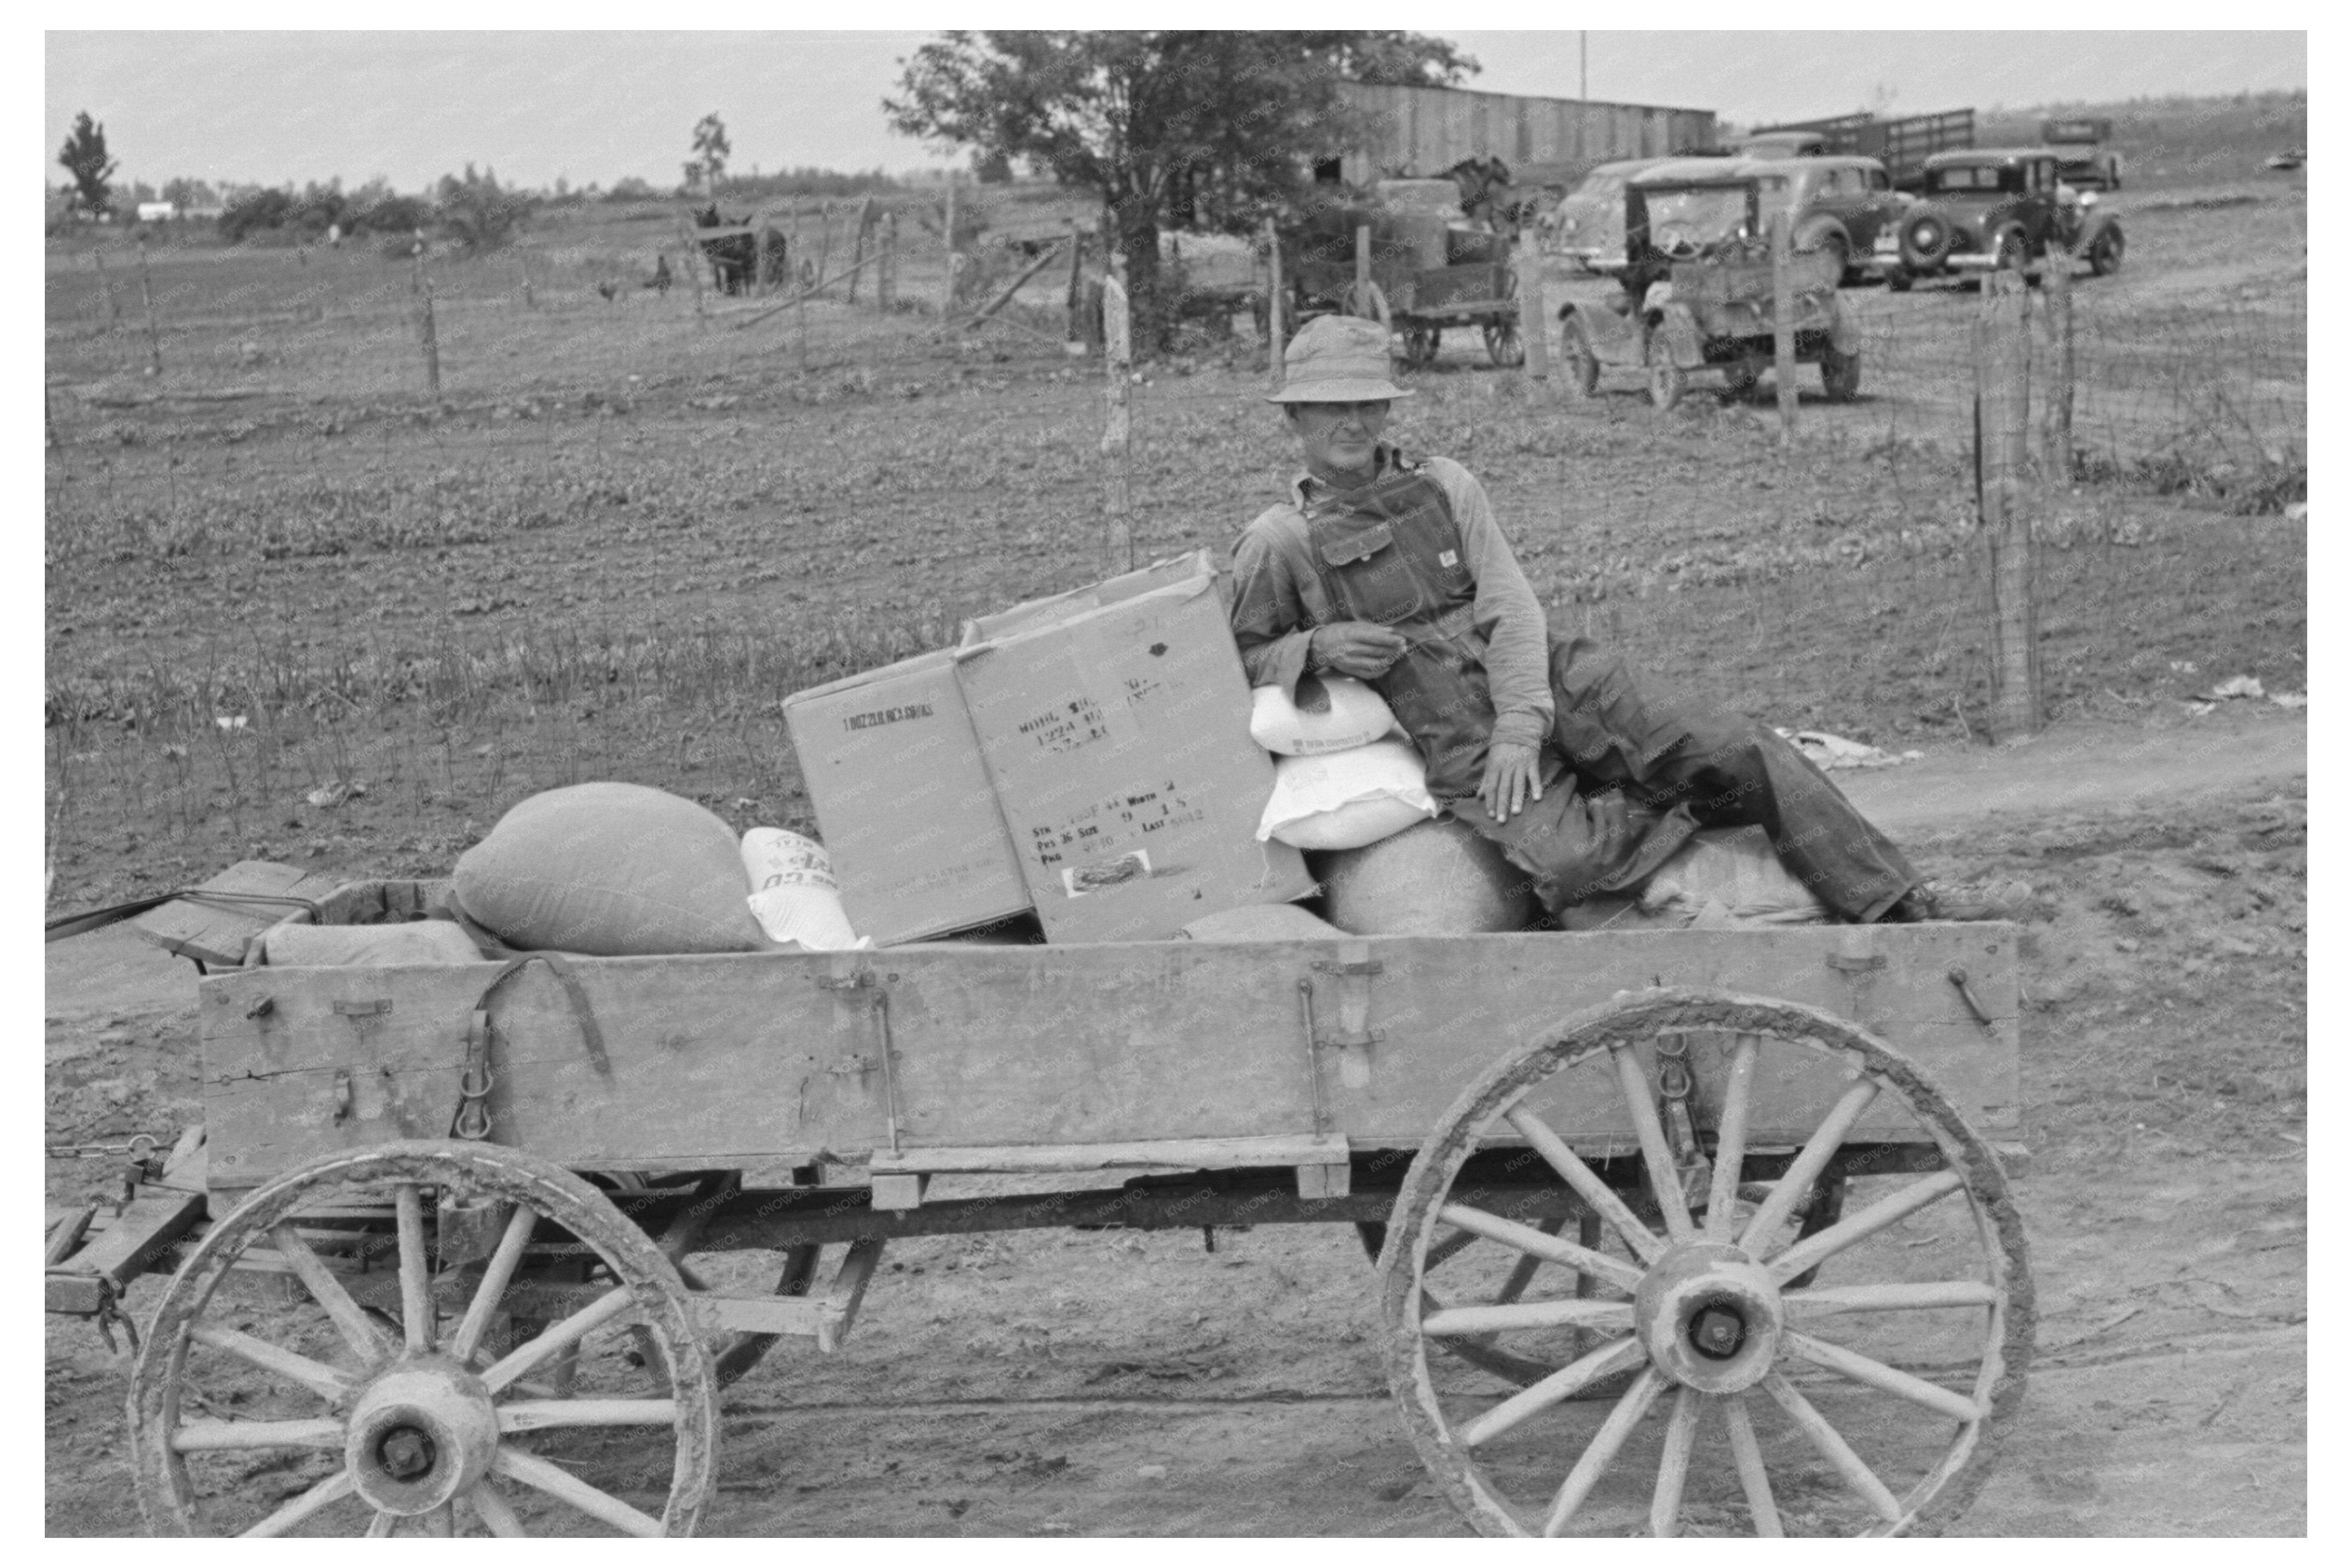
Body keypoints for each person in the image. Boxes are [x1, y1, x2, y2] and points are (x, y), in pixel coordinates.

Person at [1228, 312, 1992, 924]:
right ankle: (1677, 822)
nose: (1353, 422)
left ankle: (1898, 901)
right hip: (1448, 728)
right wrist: (1317, 644)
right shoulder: (1278, 542)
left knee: (1736, 746)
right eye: (1333, 405)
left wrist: (1523, 725)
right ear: (1294, 416)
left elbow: (1511, 608)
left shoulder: (1446, 485)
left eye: (1367, 403)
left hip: (1554, 677)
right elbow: (1242, 656)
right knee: (1568, 865)